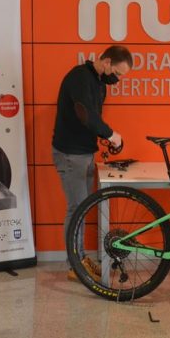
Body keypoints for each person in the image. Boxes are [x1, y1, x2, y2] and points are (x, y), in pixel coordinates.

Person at [52, 45, 131, 280]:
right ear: (106, 62)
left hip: (85, 153)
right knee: (76, 209)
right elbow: (85, 113)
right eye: (116, 73)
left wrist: (104, 137)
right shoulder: (80, 77)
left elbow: (91, 119)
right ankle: (74, 266)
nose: (117, 79)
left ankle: (80, 258)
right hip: (70, 154)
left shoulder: (97, 82)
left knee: (82, 207)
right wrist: (111, 134)